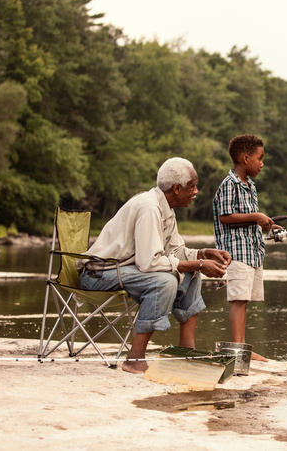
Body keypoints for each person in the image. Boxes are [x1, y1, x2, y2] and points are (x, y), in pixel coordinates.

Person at [77, 157, 232, 374]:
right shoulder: (149, 207)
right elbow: (149, 263)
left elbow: (176, 253)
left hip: (123, 270)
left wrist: (204, 254)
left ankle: (186, 353)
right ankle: (134, 359)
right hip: (97, 274)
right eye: (193, 186)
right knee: (165, 281)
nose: (196, 192)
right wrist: (198, 263)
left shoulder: (166, 207)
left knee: (192, 273)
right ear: (177, 188)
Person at [213, 134, 274, 362]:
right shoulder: (230, 184)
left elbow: (247, 219)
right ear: (245, 157)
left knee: (244, 301)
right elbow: (225, 217)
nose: (262, 163)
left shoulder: (251, 186)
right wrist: (256, 216)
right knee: (238, 301)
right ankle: (238, 352)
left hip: (251, 252)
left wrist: (264, 221)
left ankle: (243, 349)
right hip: (236, 253)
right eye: (260, 158)